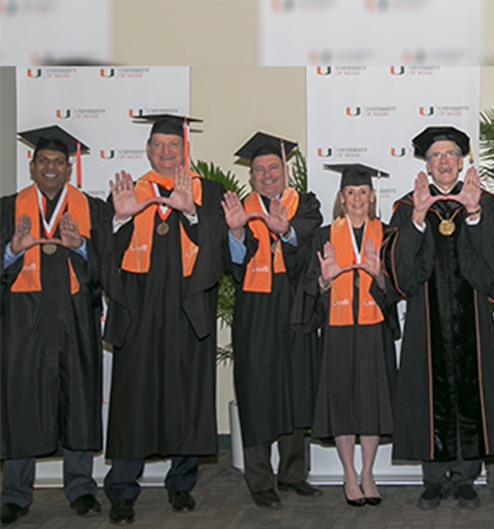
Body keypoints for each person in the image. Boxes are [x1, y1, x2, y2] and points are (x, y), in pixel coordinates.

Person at [101, 114, 227, 525]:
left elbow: (220, 248)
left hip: (187, 307)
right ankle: (122, 489)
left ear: (184, 149)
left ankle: (181, 484)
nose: (167, 152)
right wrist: (119, 220)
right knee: (131, 398)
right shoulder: (128, 191)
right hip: (138, 308)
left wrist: (192, 214)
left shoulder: (206, 191)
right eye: (159, 145)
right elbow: (105, 252)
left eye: (174, 145)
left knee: (186, 395)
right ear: (149, 149)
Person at [388, 126, 494, 510]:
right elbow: (404, 275)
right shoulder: (409, 206)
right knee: (429, 389)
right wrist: (420, 218)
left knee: (470, 388)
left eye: (450, 155)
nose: (443, 161)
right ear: (426, 165)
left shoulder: (484, 202)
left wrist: (473, 214)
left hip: (472, 317)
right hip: (427, 322)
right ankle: (433, 478)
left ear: (462, 162)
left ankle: (465, 476)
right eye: (436, 156)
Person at [1, 126, 108, 524]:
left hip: (75, 318)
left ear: (69, 168)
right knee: (20, 401)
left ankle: (81, 489)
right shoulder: (8, 208)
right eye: (43, 161)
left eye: (58, 162)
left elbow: (106, 269)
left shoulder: (91, 209)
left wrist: (80, 245)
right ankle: (14, 493)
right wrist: (12, 250)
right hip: (23, 321)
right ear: (32, 167)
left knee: (78, 400)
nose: (50, 168)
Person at [221, 132, 323, 510]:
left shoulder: (304, 203)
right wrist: (234, 231)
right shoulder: (237, 208)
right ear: (250, 176)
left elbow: (309, 237)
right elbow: (232, 264)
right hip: (255, 308)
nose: (267, 175)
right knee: (257, 391)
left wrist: (287, 231)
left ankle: (294, 474)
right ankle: (260, 480)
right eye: (259, 170)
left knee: (296, 388)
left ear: (285, 169)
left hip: (295, 303)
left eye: (273, 168)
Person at [295, 163, 398, 507]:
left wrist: (378, 275)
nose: (357, 198)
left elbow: (397, 290)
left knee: (370, 404)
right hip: (337, 331)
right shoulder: (324, 236)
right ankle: (348, 475)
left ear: (372, 197)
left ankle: (368, 473)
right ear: (342, 196)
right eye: (350, 193)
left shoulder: (385, 234)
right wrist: (325, 280)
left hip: (373, 331)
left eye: (363, 193)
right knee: (341, 403)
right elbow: (311, 285)